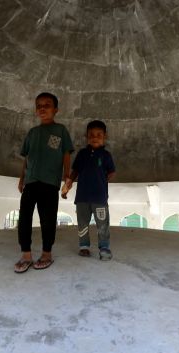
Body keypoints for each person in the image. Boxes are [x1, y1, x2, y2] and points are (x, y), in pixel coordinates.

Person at [14, 92, 74, 273]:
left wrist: (67, 177)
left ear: (55, 110)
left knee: (48, 219)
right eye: (39, 105)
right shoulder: (32, 133)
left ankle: (47, 253)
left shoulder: (61, 130)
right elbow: (27, 157)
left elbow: (66, 154)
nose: (42, 108)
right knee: (24, 218)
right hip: (31, 182)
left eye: (47, 105)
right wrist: (22, 178)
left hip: (50, 183)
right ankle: (26, 254)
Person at [62, 120, 116, 261]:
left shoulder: (106, 155)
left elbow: (111, 172)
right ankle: (84, 246)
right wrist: (68, 184)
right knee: (82, 223)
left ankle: (104, 247)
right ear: (86, 136)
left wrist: (101, 181)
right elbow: (75, 171)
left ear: (105, 136)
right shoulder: (82, 154)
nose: (95, 137)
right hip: (82, 198)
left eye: (99, 134)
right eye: (91, 134)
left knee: (102, 224)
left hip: (100, 198)